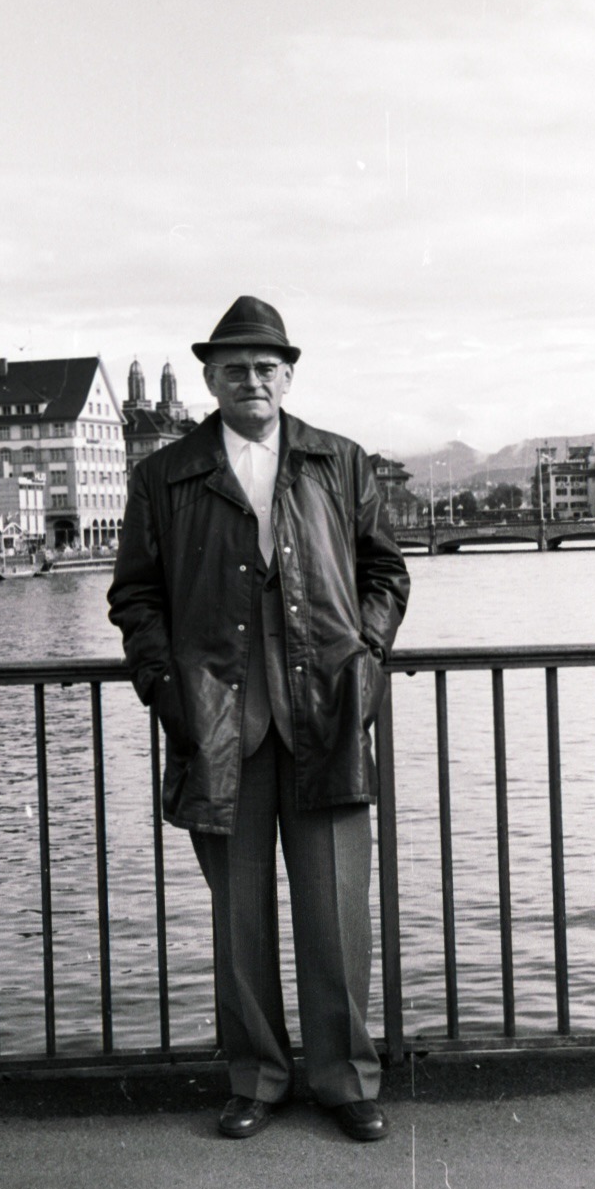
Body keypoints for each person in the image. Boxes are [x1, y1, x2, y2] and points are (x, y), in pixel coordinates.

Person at [108, 297, 410, 1141]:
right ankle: (256, 1078)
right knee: (238, 916)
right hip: (216, 723)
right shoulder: (163, 474)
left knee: (337, 913)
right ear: (209, 377)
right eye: (235, 367)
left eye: (266, 367)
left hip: (327, 712)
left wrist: (367, 654)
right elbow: (134, 595)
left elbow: (386, 571)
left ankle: (345, 1079)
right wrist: (166, 684)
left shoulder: (338, 462)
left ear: (288, 375)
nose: (253, 380)